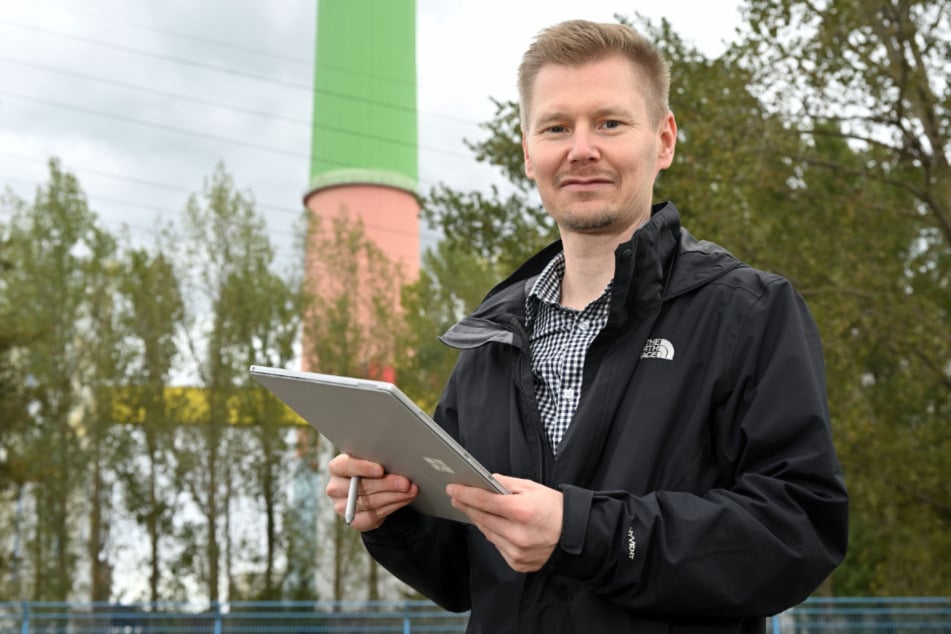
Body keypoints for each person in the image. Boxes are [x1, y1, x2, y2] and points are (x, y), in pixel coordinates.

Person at [326, 19, 848, 633]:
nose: (580, 149)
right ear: (527, 151)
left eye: (609, 123)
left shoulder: (747, 311)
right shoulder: (491, 341)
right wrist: (393, 513)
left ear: (665, 139)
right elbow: (458, 576)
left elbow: (799, 531)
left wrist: (584, 532)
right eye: (555, 127)